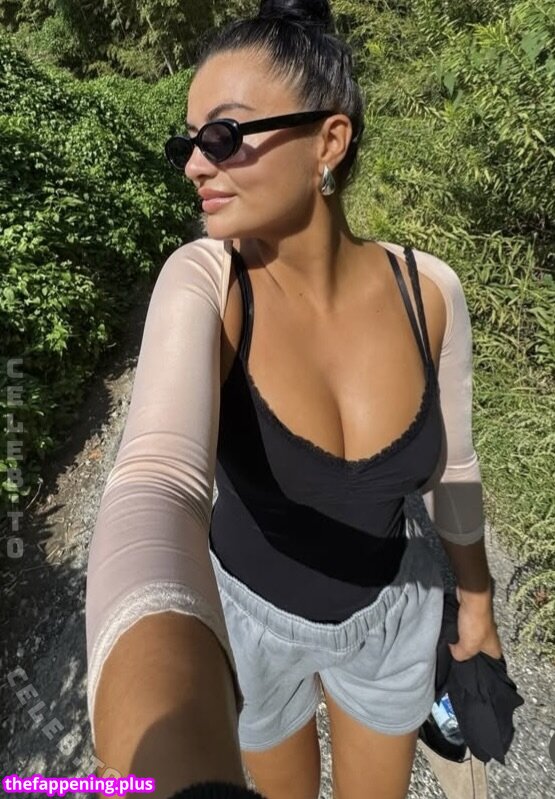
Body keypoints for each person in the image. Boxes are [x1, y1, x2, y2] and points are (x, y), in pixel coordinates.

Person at [85, 1, 504, 798]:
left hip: (394, 614)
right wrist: (164, 763)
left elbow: (453, 464)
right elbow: (155, 481)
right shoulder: (206, 281)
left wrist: (476, 603)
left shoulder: (430, 291)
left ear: (329, 141)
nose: (193, 165)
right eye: (186, 143)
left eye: (222, 135)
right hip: (251, 625)